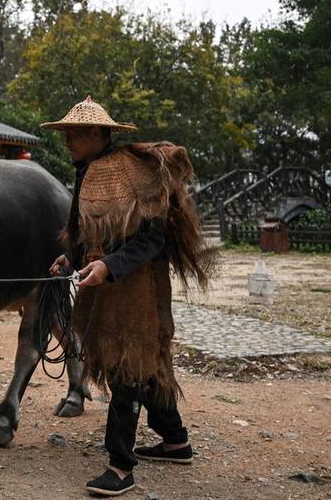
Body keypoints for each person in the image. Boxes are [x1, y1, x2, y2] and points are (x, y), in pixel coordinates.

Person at [42, 96, 214, 497]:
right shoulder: (86, 170)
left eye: (75, 134)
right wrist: (71, 259)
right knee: (148, 367)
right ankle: (176, 442)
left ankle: (120, 467)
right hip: (109, 288)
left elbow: (153, 240)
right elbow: (90, 234)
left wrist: (110, 266)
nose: (67, 140)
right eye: (65, 133)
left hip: (139, 290)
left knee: (128, 368)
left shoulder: (132, 171)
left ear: (97, 133)